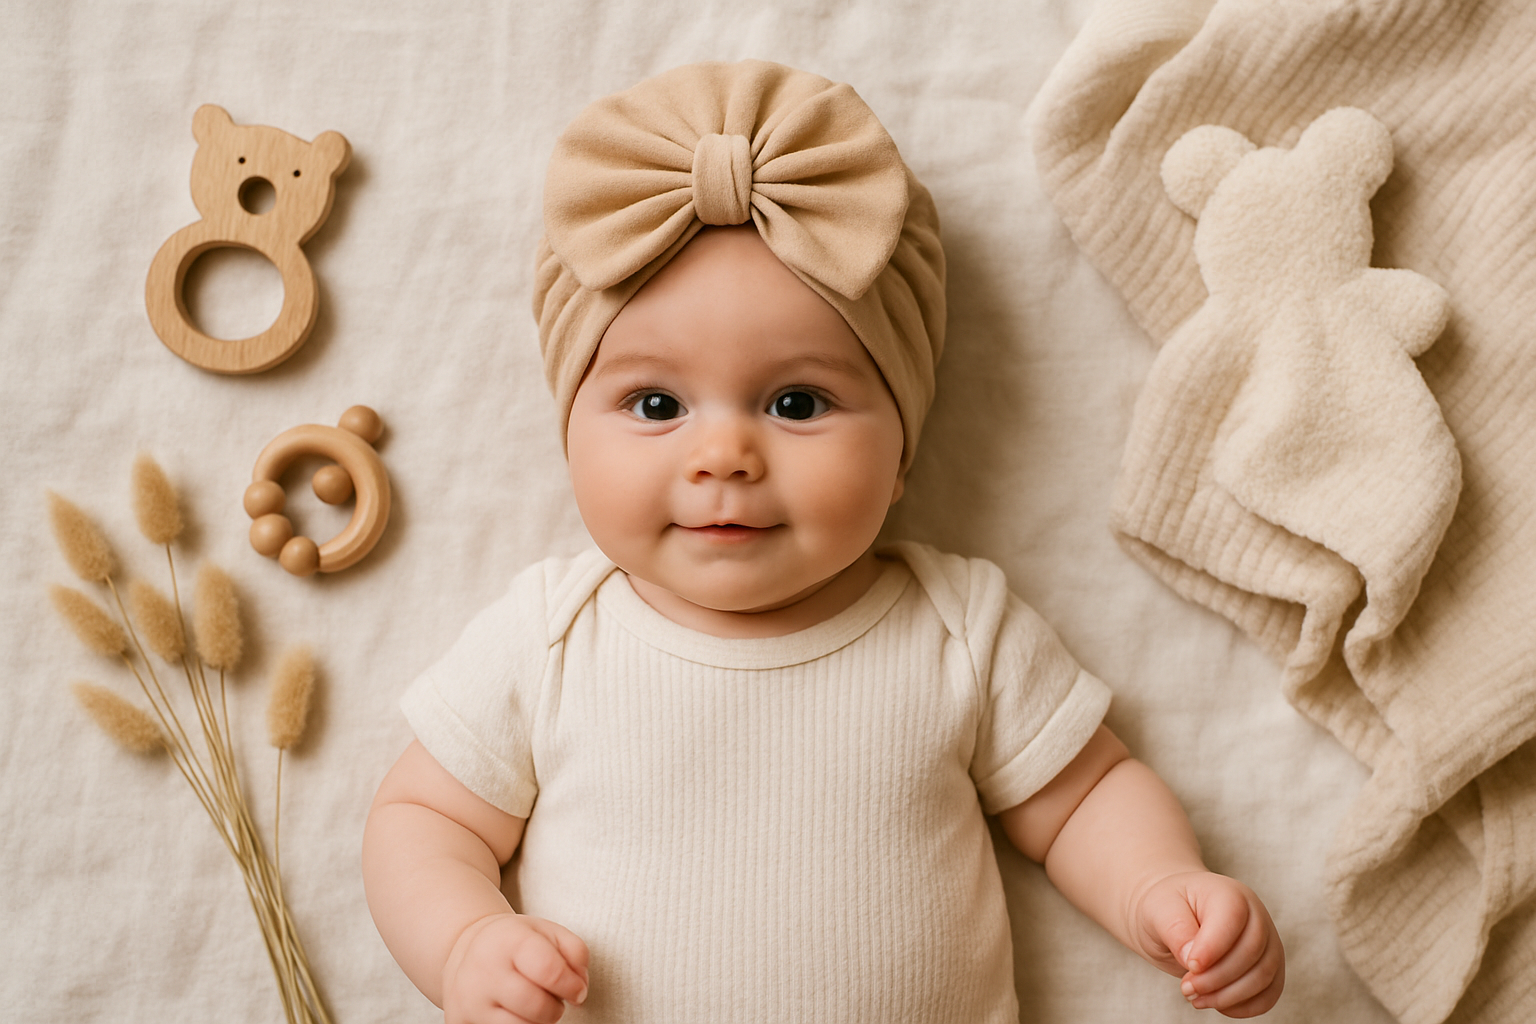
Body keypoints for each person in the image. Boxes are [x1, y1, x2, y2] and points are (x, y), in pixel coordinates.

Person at [361, 59, 1284, 1024]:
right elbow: (421, 820)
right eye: (655, 403)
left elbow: (1087, 797)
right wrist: (465, 940)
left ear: (901, 452)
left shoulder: (956, 627)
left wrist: (1159, 888)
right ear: (569, 431)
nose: (723, 454)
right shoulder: (550, 637)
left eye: (796, 403)